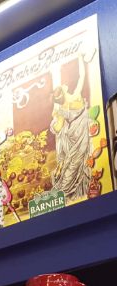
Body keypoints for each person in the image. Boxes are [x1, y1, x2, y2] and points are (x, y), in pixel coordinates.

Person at [50, 53, 91, 201]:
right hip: (77, 134)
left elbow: (58, 128)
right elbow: (82, 76)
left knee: (75, 163)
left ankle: (70, 191)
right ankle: (66, 192)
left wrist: (79, 58)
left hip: (80, 132)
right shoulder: (73, 98)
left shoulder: (64, 105)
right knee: (74, 163)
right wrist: (80, 58)